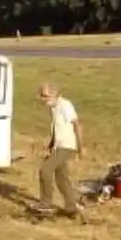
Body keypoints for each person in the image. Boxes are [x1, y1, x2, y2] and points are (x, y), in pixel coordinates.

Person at [33, 83, 83, 216]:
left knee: (45, 169)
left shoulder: (65, 105)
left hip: (67, 146)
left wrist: (80, 147)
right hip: (58, 146)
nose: (42, 99)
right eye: (41, 95)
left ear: (54, 95)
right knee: (62, 178)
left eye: (45, 96)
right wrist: (50, 146)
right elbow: (56, 129)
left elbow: (77, 124)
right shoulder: (53, 108)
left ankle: (45, 204)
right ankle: (71, 207)